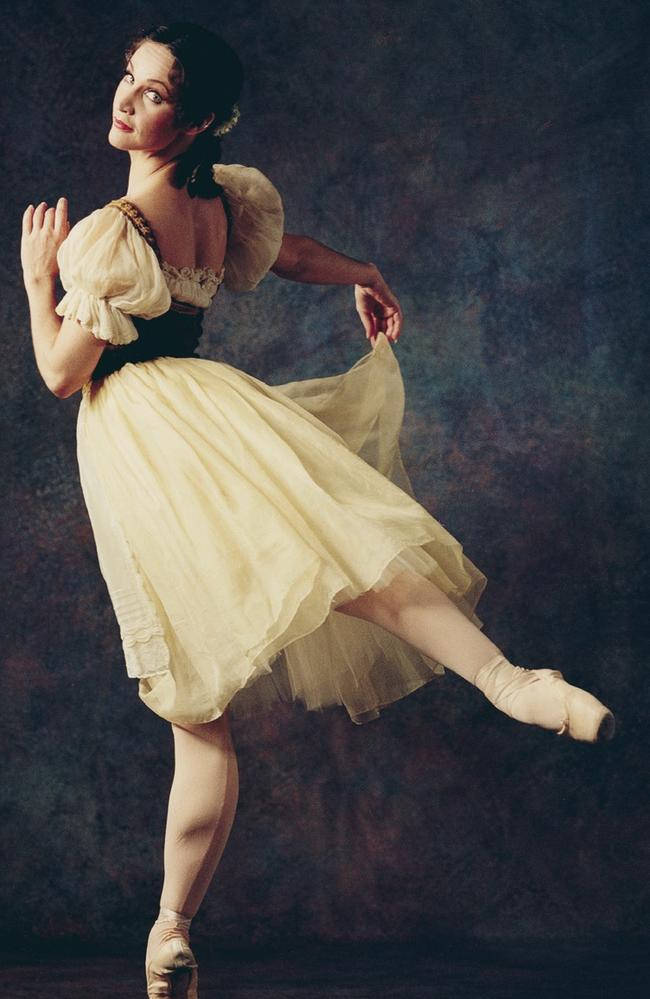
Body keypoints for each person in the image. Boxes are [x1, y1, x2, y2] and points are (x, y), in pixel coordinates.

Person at [20, 20, 615, 999]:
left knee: (204, 700)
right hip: (209, 412)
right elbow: (282, 254)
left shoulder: (109, 235)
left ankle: (171, 928)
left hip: (149, 439)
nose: (127, 98)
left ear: (198, 116)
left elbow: (57, 373)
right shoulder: (214, 202)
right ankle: (510, 681)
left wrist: (36, 280)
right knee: (342, 557)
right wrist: (365, 271)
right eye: (129, 79)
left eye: (155, 91)